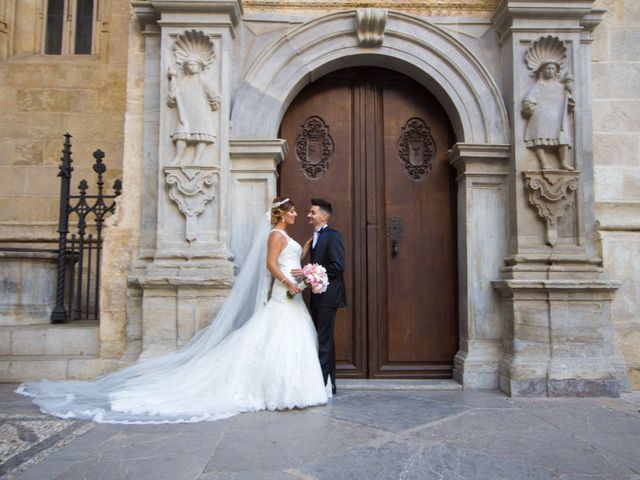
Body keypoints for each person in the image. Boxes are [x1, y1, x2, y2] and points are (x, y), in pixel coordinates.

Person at [16, 197, 328, 423]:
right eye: (293, 210)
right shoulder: (275, 234)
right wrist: (289, 281)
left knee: (286, 335)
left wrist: (308, 267)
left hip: (292, 289)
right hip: (283, 289)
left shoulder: (286, 236)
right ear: (281, 214)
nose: (297, 213)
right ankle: (278, 390)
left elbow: (289, 257)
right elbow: (270, 264)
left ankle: (291, 389)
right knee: (275, 335)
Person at [293, 198, 346, 395]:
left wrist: (309, 274)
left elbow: (338, 266)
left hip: (328, 296)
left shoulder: (333, 236)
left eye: (312, 212)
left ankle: (321, 384)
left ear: (323, 216)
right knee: (324, 339)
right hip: (318, 296)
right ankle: (328, 384)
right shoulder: (314, 237)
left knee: (324, 339)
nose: (309, 215)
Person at [521, 60, 575, 171]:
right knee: (540, 139)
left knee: (562, 139)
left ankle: (563, 162)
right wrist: (529, 106)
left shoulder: (561, 87)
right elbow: (529, 98)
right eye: (548, 68)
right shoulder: (539, 85)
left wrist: (569, 94)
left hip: (558, 117)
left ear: (556, 72)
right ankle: (544, 163)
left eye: (552, 69)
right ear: (543, 71)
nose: (550, 71)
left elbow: (569, 104)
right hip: (542, 116)